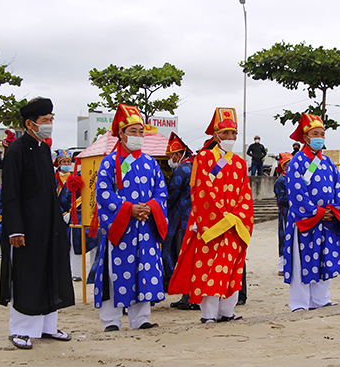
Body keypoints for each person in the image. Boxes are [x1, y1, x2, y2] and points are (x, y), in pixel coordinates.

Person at [0, 97, 74, 350]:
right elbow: (10, 192)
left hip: (49, 225)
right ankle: (20, 329)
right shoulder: (17, 150)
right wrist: (15, 228)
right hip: (26, 226)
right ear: (30, 123)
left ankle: (47, 327)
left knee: (49, 271)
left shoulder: (43, 149)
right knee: (26, 274)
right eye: (45, 120)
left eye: (51, 120)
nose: (49, 124)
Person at [169, 107, 254, 323]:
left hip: (235, 224)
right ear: (215, 135)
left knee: (232, 269)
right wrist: (223, 217)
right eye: (225, 133)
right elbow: (202, 190)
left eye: (233, 133)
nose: (230, 137)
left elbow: (245, 193)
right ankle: (208, 314)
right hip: (212, 225)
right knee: (209, 268)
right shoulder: (204, 158)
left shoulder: (240, 163)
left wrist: (236, 217)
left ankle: (227, 311)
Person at [92, 104, 167, 331]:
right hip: (121, 227)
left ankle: (140, 318)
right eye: (132, 131)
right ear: (121, 133)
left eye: (141, 131)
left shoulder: (151, 162)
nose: (137, 136)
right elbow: (104, 193)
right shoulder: (109, 162)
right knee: (116, 271)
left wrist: (150, 208)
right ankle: (110, 320)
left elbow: (161, 191)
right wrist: (128, 209)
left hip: (145, 227)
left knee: (144, 270)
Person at [283, 114, 340, 311]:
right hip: (305, 220)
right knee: (302, 260)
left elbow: (339, 188)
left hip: (327, 220)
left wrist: (334, 210)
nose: (320, 137)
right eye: (315, 133)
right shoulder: (297, 161)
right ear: (305, 137)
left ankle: (321, 299)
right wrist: (315, 212)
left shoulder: (329, 163)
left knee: (325, 257)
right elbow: (296, 191)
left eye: (322, 134)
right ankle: (299, 302)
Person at [163, 133, 198, 310]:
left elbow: (171, 195)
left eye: (170, 157)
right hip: (195, 217)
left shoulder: (182, 170)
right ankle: (189, 295)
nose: (170, 160)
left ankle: (189, 296)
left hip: (184, 218)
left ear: (178, 155)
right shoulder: (194, 167)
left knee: (185, 257)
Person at [54, 150, 98, 283]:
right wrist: (65, 212)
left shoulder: (99, 175)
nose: (67, 164)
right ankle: (76, 273)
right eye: (64, 162)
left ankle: (94, 272)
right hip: (74, 217)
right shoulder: (73, 178)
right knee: (74, 246)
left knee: (96, 246)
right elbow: (63, 198)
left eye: (68, 161)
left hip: (93, 217)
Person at [273, 153, 292, 276]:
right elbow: (283, 199)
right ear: (284, 167)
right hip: (286, 213)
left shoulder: (299, 179)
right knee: (285, 237)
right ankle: (282, 265)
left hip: (298, 213)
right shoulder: (280, 181)